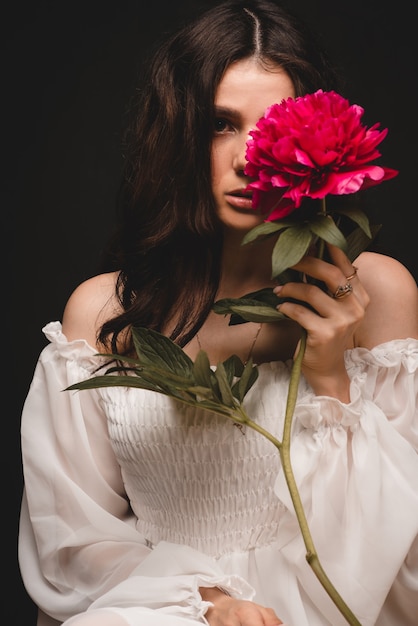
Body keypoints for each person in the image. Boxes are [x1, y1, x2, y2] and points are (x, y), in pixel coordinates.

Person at [18, 1, 418, 625]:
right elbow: (72, 542)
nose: (246, 158)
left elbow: (400, 561)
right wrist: (207, 603)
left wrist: (332, 380)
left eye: (273, 127)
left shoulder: (375, 295)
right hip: (155, 609)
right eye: (220, 124)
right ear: (179, 135)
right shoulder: (103, 311)